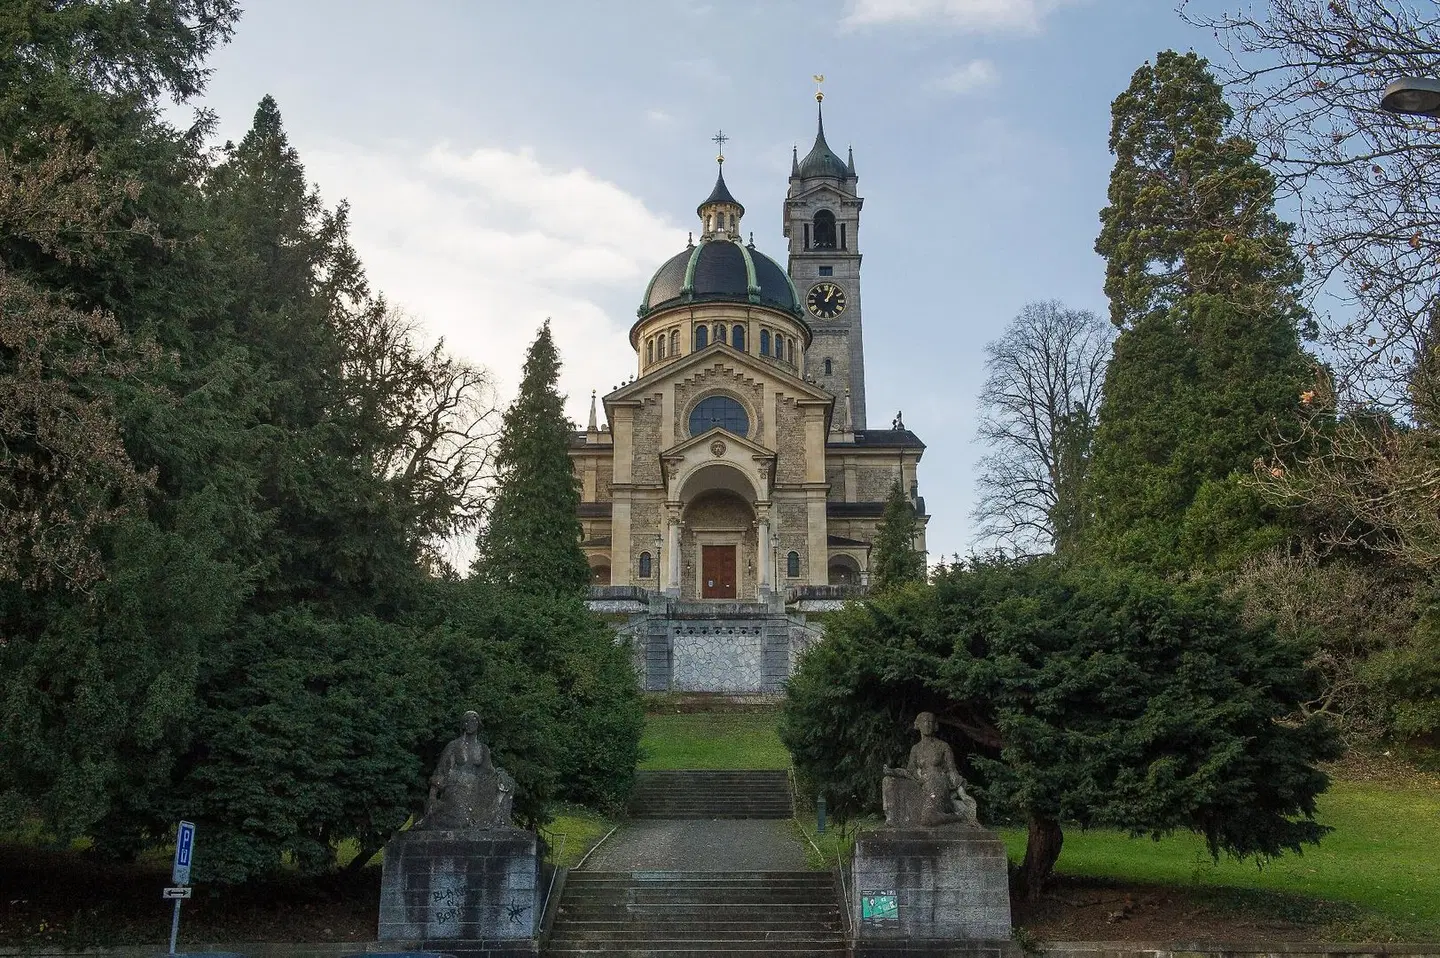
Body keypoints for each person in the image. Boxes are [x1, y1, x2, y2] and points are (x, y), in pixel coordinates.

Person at [420, 710, 515, 829]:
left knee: (508, 783)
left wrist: (501, 775)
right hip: (457, 787)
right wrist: (432, 797)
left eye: (474, 721)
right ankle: (435, 815)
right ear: (463, 725)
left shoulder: (483, 748)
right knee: (461, 821)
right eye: (468, 721)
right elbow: (441, 771)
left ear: (478, 725)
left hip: (477, 787)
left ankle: (501, 821)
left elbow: (489, 771)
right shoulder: (454, 745)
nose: (471, 724)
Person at [883, 711, 978, 827]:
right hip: (920, 783)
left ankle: (960, 816)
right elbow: (910, 771)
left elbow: (952, 771)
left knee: (928, 819)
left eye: (930, 722)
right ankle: (893, 820)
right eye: (924, 722)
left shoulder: (943, 746)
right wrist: (893, 772)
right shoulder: (915, 749)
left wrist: (962, 793)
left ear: (935, 726)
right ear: (918, 725)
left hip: (937, 783)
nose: (927, 725)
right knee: (888, 781)